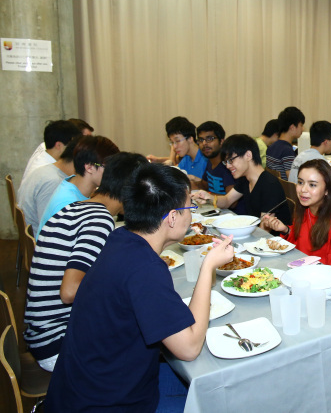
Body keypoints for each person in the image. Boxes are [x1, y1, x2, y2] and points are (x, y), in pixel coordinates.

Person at [45, 164, 234, 411]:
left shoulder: (120, 238)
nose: (192, 213)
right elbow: (189, 348)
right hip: (106, 402)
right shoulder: (144, 268)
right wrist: (208, 266)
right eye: (189, 206)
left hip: (83, 386)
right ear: (173, 217)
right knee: (222, 396)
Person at [23, 153, 148, 371]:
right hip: (58, 343)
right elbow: (70, 291)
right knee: (145, 335)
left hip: (41, 333)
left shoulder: (78, 207)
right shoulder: (99, 220)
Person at [262, 160, 331, 280]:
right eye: (300, 182)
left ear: (327, 190)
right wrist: (286, 230)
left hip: (324, 280)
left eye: (312, 185)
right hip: (304, 272)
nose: (303, 189)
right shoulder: (306, 207)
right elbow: (304, 242)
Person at [193, 135, 292, 227]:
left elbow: (264, 227)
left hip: (273, 240)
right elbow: (227, 200)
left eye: (231, 160)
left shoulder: (270, 185)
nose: (227, 166)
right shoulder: (245, 179)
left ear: (248, 155)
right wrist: (209, 198)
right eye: (226, 162)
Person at [37, 136, 120, 237]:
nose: (114, 173)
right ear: (89, 167)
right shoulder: (69, 203)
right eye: (109, 168)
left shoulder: (72, 184)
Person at [17, 135, 80, 235]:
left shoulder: (46, 169)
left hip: (33, 234)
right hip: (41, 241)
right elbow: (51, 228)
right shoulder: (54, 182)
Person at [195, 121, 245, 214]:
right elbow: (204, 185)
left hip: (233, 215)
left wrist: (207, 195)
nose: (204, 143)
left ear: (222, 141)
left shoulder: (228, 166)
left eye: (209, 139)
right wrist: (188, 183)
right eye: (201, 140)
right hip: (216, 210)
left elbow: (232, 203)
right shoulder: (210, 160)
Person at [21, 120, 81, 186]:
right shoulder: (49, 176)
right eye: (73, 145)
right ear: (59, 145)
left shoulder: (44, 157)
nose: (75, 149)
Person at [267, 106, 305, 180]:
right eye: (301, 125)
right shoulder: (287, 151)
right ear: (292, 127)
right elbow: (293, 180)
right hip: (284, 190)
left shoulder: (271, 147)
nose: (303, 128)